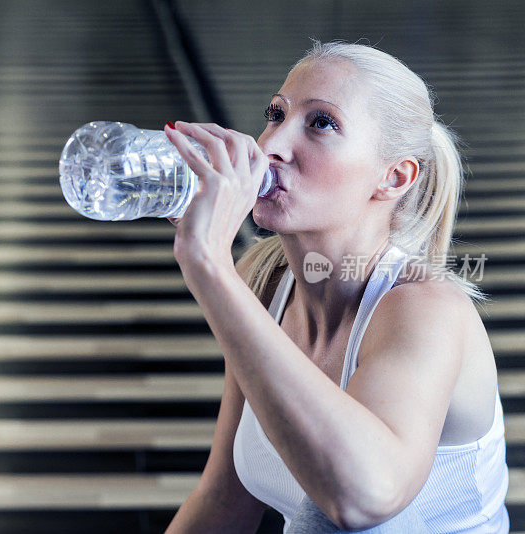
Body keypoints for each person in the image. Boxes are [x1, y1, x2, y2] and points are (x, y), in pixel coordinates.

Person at [161, 40, 509, 533]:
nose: (272, 145)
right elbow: (223, 499)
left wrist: (208, 264)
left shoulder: (425, 307)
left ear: (393, 177)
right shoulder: (264, 283)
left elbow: (362, 499)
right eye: (275, 114)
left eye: (321, 122)